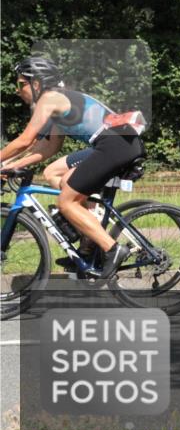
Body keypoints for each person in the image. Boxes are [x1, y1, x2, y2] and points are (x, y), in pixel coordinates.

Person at [0, 56, 145, 279]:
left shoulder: (49, 100)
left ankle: (113, 249)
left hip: (114, 144)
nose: (17, 90)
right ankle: (89, 235)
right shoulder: (58, 102)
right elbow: (47, 148)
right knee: (56, 173)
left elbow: (24, 140)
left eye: (20, 84)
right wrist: (10, 165)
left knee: (66, 201)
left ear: (36, 84)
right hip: (113, 142)